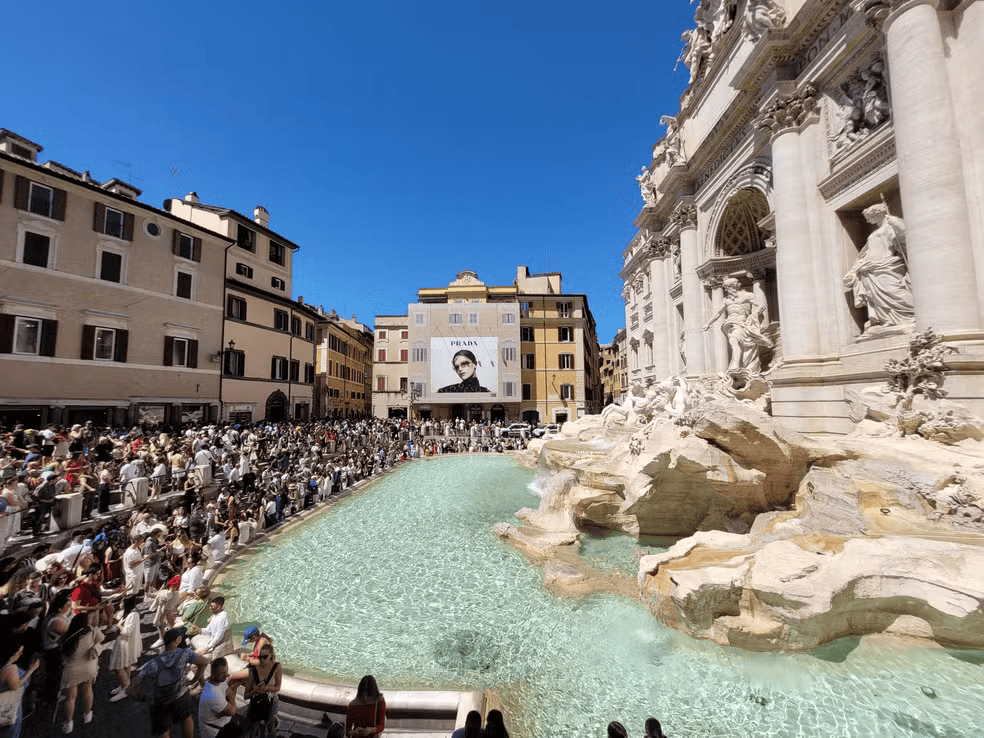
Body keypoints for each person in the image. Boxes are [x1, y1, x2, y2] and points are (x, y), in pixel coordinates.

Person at [843, 202, 914, 331]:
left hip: (887, 265)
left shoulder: (890, 226)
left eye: (869, 217)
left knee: (894, 291)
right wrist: (856, 268)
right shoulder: (875, 232)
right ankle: (887, 319)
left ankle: (908, 315)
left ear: (877, 214)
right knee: (875, 296)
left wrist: (896, 223)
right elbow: (865, 253)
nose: (868, 221)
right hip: (871, 268)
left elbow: (904, 238)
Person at [127, 626, 207, 738]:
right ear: (178, 640)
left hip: (161, 701)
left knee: (163, 729)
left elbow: (131, 688)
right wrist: (194, 679)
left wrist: (143, 698)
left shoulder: (153, 663)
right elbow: (204, 662)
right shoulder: (184, 654)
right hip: (181, 696)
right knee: (186, 717)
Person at [702, 277, 772, 373]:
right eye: (726, 288)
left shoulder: (747, 295)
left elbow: (761, 306)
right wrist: (708, 323)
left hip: (743, 324)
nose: (727, 290)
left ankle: (743, 367)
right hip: (730, 325)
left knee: (746, 348)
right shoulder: (726, 300)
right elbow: (718, 313)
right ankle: (735, 365)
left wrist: (752, 317)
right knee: (734, 341)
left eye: (728, 287)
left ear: (735, 286)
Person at [59, 612, 103, 734]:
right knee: (88, 689)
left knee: (70, 698)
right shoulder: (92, 631)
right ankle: (87, 715)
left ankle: (68, 724)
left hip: (72, 669)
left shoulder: (67, 636)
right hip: (89, 666)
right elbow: (101, 638)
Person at [0, 644, 39, 738]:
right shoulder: (10, 668)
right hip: (8, 709)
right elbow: (15, 686)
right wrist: (31, 670)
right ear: (12, 655)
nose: (20, 654)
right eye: (19, 652)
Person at [108, 596, 141, 702]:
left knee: (118, 667)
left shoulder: (132, 615)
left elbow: (127, 632)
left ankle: (126, 689)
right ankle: (125, 684)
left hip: (124, 644)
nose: (121, 604)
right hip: (126, 643)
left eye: (122, 602)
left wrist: (119, 626)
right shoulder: (131, 613)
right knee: (126, 665)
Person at [244, 643, 282, 736]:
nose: (262, 660)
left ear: (271, 656)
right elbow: (245, 695)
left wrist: (267, 688)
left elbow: (277, 688)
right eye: (260, 657)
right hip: (256, 703)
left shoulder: (276, 667)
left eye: (265, 657)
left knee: (270, 726)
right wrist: (255, 691)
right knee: (253, 727)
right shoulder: (254, 670)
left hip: (271, 701)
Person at [198, 657, 238, 738]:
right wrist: (232, 697)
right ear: (214, 674)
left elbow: (226, 688)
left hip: (221, 727)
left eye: (226, 671)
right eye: (222, 673)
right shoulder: (213, 694)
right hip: (215, 732)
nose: (226, 675)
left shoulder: (218, 680)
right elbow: (232, 711)